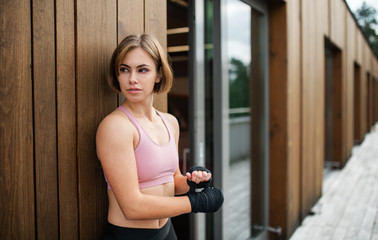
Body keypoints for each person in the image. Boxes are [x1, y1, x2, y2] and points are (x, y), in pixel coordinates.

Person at [96, 33, 224, 240]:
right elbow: (132, 207)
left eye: (143, 70)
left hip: (166, 231)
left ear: (158, 75)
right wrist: (195, 202)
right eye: (124, 70)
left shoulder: (169, 122)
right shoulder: (116, 127)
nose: (132, 79)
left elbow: (172, 181)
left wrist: (193, 182)